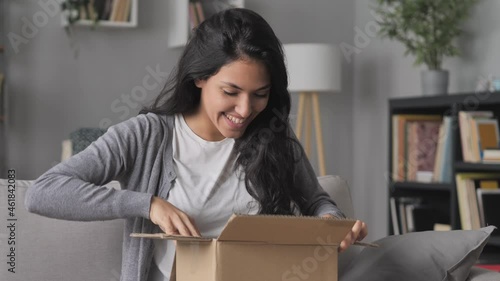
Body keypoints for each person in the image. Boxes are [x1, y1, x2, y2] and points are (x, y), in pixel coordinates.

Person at [25, 8, 367, 281]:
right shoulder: (146, 136)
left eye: (259, 95)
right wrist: (148, 205)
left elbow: (317, 200)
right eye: (231, 93)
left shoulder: (273, 135)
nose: (245, 110)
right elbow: (43, 192)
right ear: (200, 77)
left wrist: (334, 224)